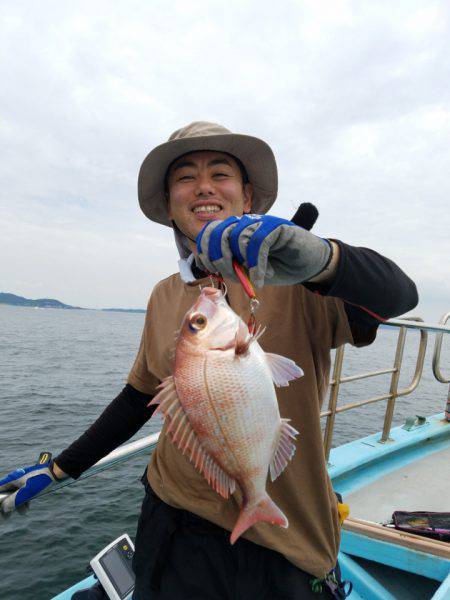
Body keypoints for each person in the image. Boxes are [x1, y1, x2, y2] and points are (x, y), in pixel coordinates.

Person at [0, 122, 418, 599]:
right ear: (171, 205)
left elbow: (399, 295)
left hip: (282, 544)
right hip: (169, 514)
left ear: (248, 197)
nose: (202, 186)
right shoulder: (165, 293)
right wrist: (59, 469)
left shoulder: (302, 280)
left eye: (220, 173)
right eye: (184, 178)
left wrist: (323, 260)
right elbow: (140, 396)